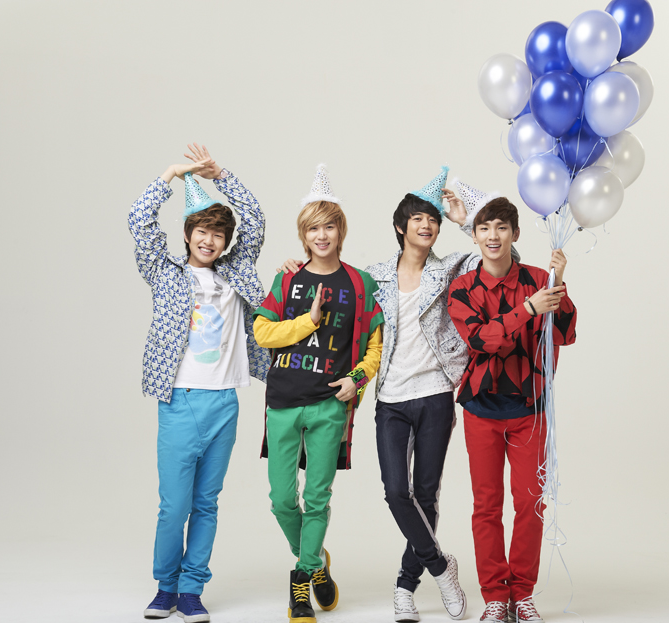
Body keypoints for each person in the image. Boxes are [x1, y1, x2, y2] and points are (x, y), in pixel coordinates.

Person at [277, 170, 520, 622]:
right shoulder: (373, 277)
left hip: (436, 393)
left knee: (425, 494)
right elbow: (336, 291)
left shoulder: (452, 268)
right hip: (390, 396)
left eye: (433, 219)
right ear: (400, 226)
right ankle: (441, 566)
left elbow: (504, 256)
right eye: (417, 219)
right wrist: (297, 271)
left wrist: (467, 222)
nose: (426, 225)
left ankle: (406, 585)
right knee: (395, 492)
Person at [128, 145, 270, 623]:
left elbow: (256, 220)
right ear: (188, 233)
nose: (209, 240)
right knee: (174, 506)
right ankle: (165, 587)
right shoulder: (164, 272)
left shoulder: (236, 271)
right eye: (202, 231)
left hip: (224, 401)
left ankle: (192, 589)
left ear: (225, 241)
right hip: (180, 399)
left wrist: (221, 175)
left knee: (206, 503)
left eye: (217, 234)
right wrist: (170, 174)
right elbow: (139, 222)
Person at [252, 164, 384, 623]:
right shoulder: (288, 280)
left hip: (330, 404)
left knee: (319, 497)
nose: (322, 235)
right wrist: (307, 322)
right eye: (313, 228)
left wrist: (357, 380)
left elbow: (375, 346)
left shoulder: (360, 283)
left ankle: (302, 579)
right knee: (282, 499)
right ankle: (316, 561)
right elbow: (262, 332)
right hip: (283, 401)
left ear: (340, 231)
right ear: (303, 235)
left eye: (329, 226)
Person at [447, 194, 577, 623]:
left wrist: (559, 287)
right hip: (481, 409)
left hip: (529, 411)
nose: (493, 235)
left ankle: (521, 594)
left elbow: (565, 333)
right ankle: (494, 597)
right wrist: (528, 309)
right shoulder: (462, 289)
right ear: (474, 236)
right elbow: (481, 340)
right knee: (486, 506)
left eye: (501, 227)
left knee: (530, 503)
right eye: (484, 228)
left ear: (515, 234)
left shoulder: (539, 278)